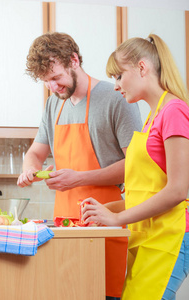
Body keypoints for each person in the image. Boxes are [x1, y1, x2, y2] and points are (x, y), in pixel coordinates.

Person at [17, 32, 142, 300]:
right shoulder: (54, 105)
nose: (52, 87)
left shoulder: (116, 98)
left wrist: (79, 178)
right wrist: (29, 169)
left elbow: (136, 166)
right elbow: (35, 154)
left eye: (56, 78)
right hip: (65, 230)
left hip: (107, 223)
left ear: (74, 60)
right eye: (45, 81)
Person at [82, 33, 189, 300]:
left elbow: (178, 190)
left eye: (118, 76)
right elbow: (145, 192)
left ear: (142, 67)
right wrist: (104, 210)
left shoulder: (174, 111)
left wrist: (117, 219)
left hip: (171, 235)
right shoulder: (152, 117)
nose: (116, 86)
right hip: (147, 235)